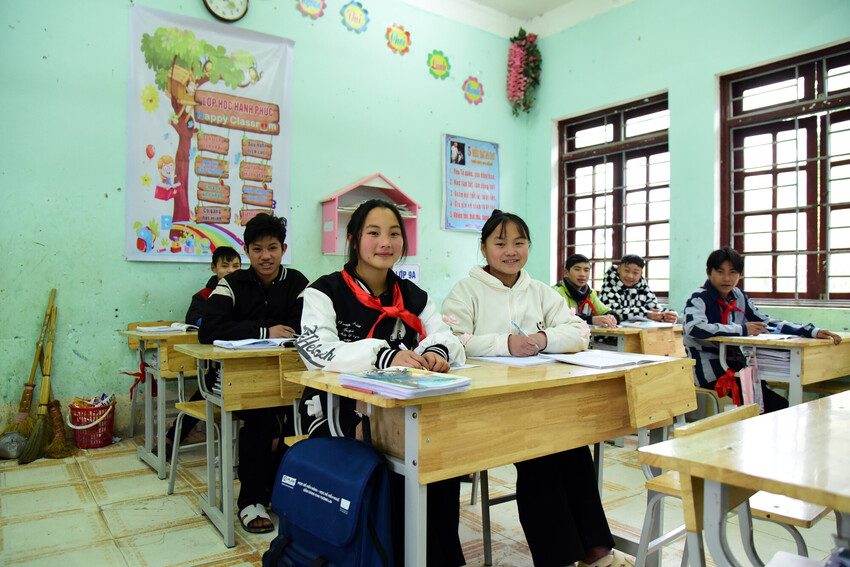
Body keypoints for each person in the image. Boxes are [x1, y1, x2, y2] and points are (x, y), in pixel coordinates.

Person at [442, 210, 633, 567]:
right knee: (540, 453)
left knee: (572, 446)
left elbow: (579, 332)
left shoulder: (541, 292)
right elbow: (452, 341)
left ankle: (596, 549)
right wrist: (505, 343)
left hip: (539, 402)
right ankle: (560, 556)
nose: (510, 251)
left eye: (519, 243)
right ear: (483, 248)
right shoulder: (465, 292)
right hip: (486, 407)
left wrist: (544, 337)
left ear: (528, 246)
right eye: (500, 243)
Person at [295, 199, 466, 566]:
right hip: (336, 414)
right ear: (355, 239)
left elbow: (447, 335)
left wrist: (437, 350)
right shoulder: (323, 291)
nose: (385, 242)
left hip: (404, 411)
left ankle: (437, 558)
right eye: (373, 233)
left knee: (439, 465)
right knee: (391, 471)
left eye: (393, 234)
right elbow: (315, 352)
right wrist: (384, 356)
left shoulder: (413, 296)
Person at [199, 213, 309, 533]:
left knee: (300, 420)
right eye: (257, 249)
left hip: (286, 375)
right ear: (246, 251)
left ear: (283, 249)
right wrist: (265, 330)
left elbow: (310, 325)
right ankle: (250, 499)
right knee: (260, 420)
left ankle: (279, 490)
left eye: (272, 248)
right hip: (233, 378)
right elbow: (209, 331)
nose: (265, 256)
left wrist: (286, 333)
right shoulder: (231, 284)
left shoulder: (298, 281)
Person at [683, 246, 842, 413]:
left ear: (740, 275)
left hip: (738, 368)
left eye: (733, 272)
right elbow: (695, 328)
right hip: (710, 372)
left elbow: (766, 322)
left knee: (776, 404)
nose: (727, 278)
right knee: (775, 407)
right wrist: (742, 329)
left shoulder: (738, 296)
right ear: (709, 273)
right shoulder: (699, 297)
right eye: (720, 272)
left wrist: (811, 331)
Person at [164, 246, 242, 457]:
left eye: (236, 266)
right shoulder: (203, 296)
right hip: (212, 360)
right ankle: (173, 437)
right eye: (225, 266)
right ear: (213, 268)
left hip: (241, 359)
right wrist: (218, 326)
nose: (231, 271)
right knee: (206, 388)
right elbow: (194, 320)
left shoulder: (246, 292)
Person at [599, 254, 678, 323]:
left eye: (635, 273)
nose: (630, 276)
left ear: (641, 274)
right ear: (619, 269)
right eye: (626, 271)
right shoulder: (609, 287)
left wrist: (668, 315)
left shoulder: (643, 288)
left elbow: (654, 308)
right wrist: (645, 313)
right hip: (612, 336)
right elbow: (611, 313)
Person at [553, 253, 619, 328]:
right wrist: (591, 320)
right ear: (566, 273)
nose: (582, 274)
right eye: (577, 269)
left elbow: (605, 311)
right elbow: (562, 317)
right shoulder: (556, 292)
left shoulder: (590, 293)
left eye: (586, 270)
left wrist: (612, 317)